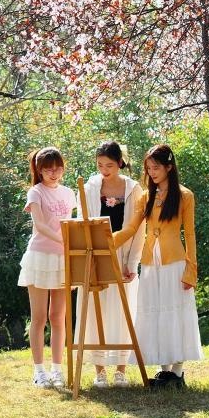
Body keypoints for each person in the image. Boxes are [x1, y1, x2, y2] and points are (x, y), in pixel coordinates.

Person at [114, 143, 202, 388]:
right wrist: (107, 241)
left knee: (177, 313)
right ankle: (164, 371)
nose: (151, 172)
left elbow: (191, 235)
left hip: (175, 263)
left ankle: (178, 371)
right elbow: (131, 229)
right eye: (148, 168)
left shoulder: (185, 196)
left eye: (156, 168)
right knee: (155, 313)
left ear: (169, 167)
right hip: (150, 263)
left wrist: (190, 270)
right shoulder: (146, 196)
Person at [75, 140, 145, 388]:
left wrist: (133, 263)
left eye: (110, 165)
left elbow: (138, 230)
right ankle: (100, 371)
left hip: (122, 258)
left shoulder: (133, 189)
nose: (104, 169)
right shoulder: (90, 186)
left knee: (123, 311)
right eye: (100, 165)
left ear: (120, 163)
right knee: (96, 311)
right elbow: (81, 224)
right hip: (95, 257)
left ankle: (121, 371)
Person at [18, 146, 76, 388]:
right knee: (39, 317)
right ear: (39, 171)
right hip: (40, 257)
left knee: (58, 317)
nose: (54, 173)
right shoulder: (35, 192)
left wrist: (70, 245)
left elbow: (72, 221)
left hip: (63, 259)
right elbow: (40, 225)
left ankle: (57, 370)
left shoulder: (68, 192)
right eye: (48, 169)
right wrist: (64, 240)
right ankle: (39, 370)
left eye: (58, 168)